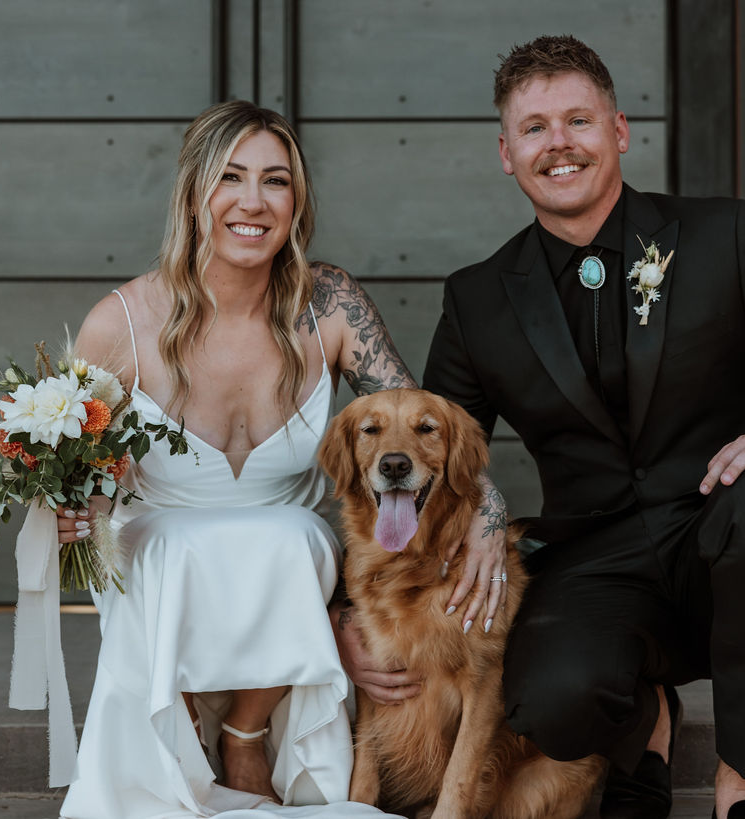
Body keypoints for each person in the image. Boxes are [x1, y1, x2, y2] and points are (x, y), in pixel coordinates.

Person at [418, 35, 745, 819]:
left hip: (727, 534)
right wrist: (468, 519)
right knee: (549, 702)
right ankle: (650, 717)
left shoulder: (721, 237)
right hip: (592, 559)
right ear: (507, 153)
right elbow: (436, 445)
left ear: (620, 129)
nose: (559, 143)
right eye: (535, 128)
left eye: (578, 119)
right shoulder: (477, 299)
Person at [46, 101, 505, 819]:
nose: (253, 202)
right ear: (195, 195)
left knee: (296, 538)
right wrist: (81, 505)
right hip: (160, 550)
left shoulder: (330, 302)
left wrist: (488, 514)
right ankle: (184, 720)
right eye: (231, 178)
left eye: (276, 181)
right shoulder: (124, 321)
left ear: (298, 200)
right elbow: (74, 477)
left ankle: (247, 730)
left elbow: (412, 427)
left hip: (287, 560)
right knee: (184, 548)